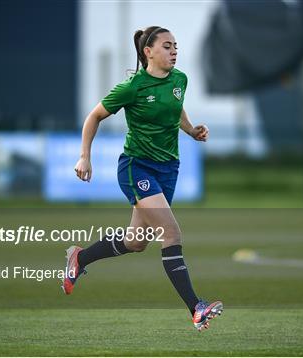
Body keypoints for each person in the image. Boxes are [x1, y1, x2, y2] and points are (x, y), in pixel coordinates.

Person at [62, 26, 223, 331]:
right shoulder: (132, 87)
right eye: (166, 46)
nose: (173, 50)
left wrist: (190, 130)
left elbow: (175, 108)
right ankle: (196, 308)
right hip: (137, 167)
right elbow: (93, 116)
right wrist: (85, 155)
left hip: (168, 169)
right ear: (148, 52)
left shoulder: (180, 80)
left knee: (136, 242)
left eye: (175, 45)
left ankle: (80, 259)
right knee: (172, 233)